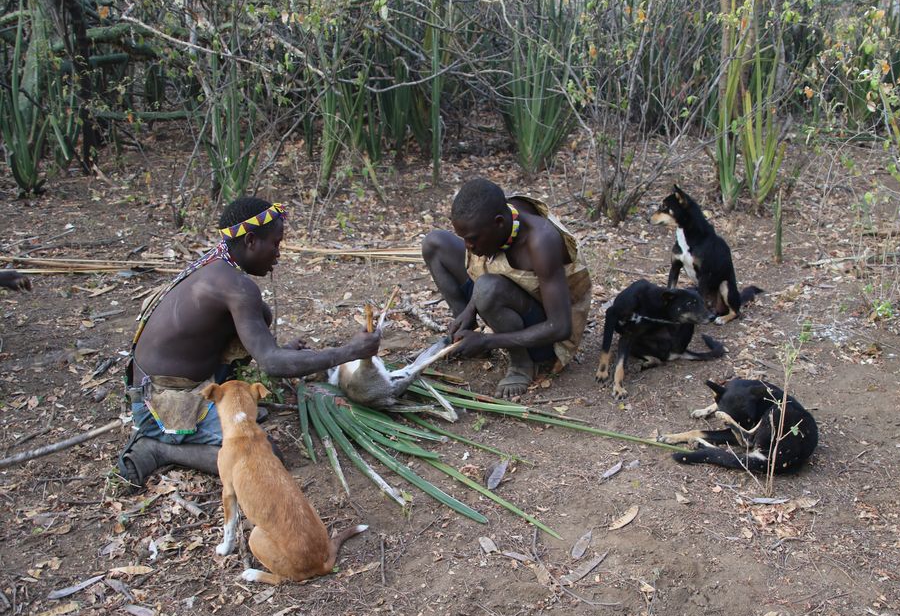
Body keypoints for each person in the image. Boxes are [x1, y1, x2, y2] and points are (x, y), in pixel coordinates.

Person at [116, 197, 380, 492]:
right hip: (163, 404)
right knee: (264, 456)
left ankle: (200, 420)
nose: (278, 254)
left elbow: (261, 347)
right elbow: (272, 364)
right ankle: (160, 448)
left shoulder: (218, 266)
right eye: (275, 244)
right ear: (251, 240)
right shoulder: (237, 288)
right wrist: (349, 352)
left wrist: (282, 352)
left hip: (162, 386)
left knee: (262, 315)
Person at [421, 178, 591, 398]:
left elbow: (560, 327)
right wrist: (469, 310)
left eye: (472, 239)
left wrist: (487, 342)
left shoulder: (541, 241)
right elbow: (495, 269)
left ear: (499, 223)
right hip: (503, 295)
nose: (468, 247)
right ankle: (464, 336)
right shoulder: (496, 220)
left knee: (487, 288)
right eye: (464, 239)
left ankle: (521, 364)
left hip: (545, 336)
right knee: (434, 244)